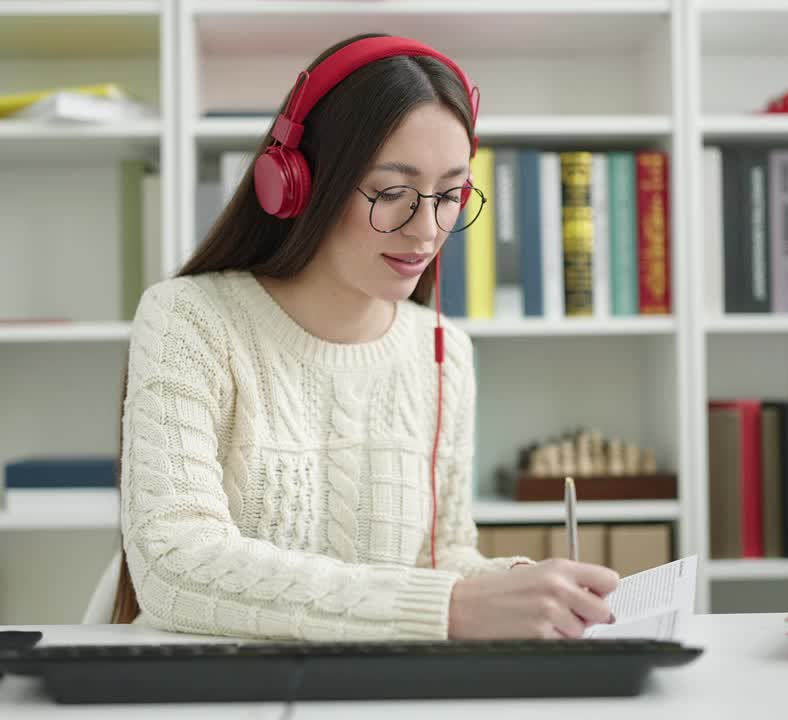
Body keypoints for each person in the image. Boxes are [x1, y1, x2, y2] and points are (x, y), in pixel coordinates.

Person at [110, 33, 619, 641]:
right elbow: (176, 566)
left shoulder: (443, 351)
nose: (427, 231)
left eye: (451, 195)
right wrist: (450, 609)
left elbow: (441, 557)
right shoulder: (189, 320)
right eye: (391, 194)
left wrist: (523, 586)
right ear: (296, 182)